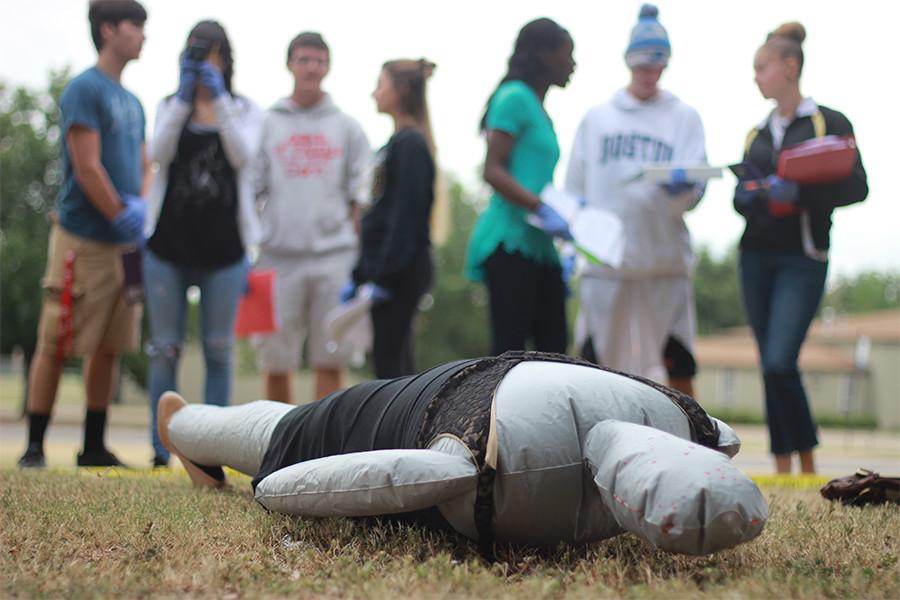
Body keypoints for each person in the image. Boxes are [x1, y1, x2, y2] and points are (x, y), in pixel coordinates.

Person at [157, 350, 767, 555]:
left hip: (443, 395)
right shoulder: (677, 421)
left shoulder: (672, 418)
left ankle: (190, 427)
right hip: (382, 415)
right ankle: (184, 425)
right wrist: (275, 488)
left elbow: (713, 434)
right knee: (278, 436)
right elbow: (317, 483)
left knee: (281, 428)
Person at [16, 0, 150, 469]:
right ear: (108, 29)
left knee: (110, 345)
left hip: (124, 245)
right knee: (58, 340)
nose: (143, 35)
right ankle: (34, 446)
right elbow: (86, 165)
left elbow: (144, 162)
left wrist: (141, 207)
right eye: (136, 25)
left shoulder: (133, 101)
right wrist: (118, 211)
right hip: (83, 238)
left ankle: (93, 446)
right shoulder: (84, 89)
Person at [733, 22, 867, 474]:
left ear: (790, 67)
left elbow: (858, 187)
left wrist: (801, 195)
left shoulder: (829, 122)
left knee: (779, 359)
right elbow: (742, 199)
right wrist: (750, 195)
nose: (755, 77)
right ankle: (783, 467)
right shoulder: (757, 133)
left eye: (761, 67)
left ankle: (809, 466)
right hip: (754, 257)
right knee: (767, 364)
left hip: (802, 257)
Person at [565, 4, 706, 397]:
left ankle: (692, 445)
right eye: (642, 66)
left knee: (677, 361)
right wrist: (569, 247)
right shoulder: (598, 119)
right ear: (629, 63)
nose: (648, 74)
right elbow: (575, 191)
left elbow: (697, 185)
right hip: (605, 265)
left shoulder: (683, 117)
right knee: (594, 367)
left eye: (656, 66)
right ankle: (589, 445)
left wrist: (686, 190)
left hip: (663, 262)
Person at [143, 21, 260, 467]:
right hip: (168, 247)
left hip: (225, 251)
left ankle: (211, 454)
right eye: (198, 53)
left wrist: (219, 102)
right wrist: (182, 99)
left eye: (213, 53)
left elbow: (243, 156)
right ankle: (160, 451)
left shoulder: (245, 109)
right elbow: (158, 153)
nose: (206, 61)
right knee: (165, 348)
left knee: (218, 350)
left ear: (226, 60)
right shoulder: (168, 105)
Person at [253, 32, 371, 402]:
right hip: (275, 256)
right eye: (304, 59)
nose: (311, 68)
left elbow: (360, 194)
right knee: (274, 357)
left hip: (334, 256)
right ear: (290, 64)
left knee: (331, 354)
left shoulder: (348, 127)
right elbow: (251, 188)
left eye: (319, 60)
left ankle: (324, 448)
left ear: (328, 67)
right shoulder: (266, 123)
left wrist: (359, 255)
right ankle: (276, 444)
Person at [464, 18, 576, 356]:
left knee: (555, 352)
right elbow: (492, 170)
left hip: (540, 246)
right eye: (567, 54)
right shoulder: (513, 97)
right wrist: (540, 207)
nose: (573, 64)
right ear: (543, 55)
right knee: (509, 355)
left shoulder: (540, 109)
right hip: (510, 241)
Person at [340, 59, 438, 379]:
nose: (374, 93)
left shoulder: (410, 144)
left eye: (380, 84)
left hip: (399, 275)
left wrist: (384, 276)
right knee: (389, 360)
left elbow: (404, 217)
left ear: (402, 90)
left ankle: (400, 430)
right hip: (385, 271)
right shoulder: (394, 145)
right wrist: (361, 274)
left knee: (392, 367)